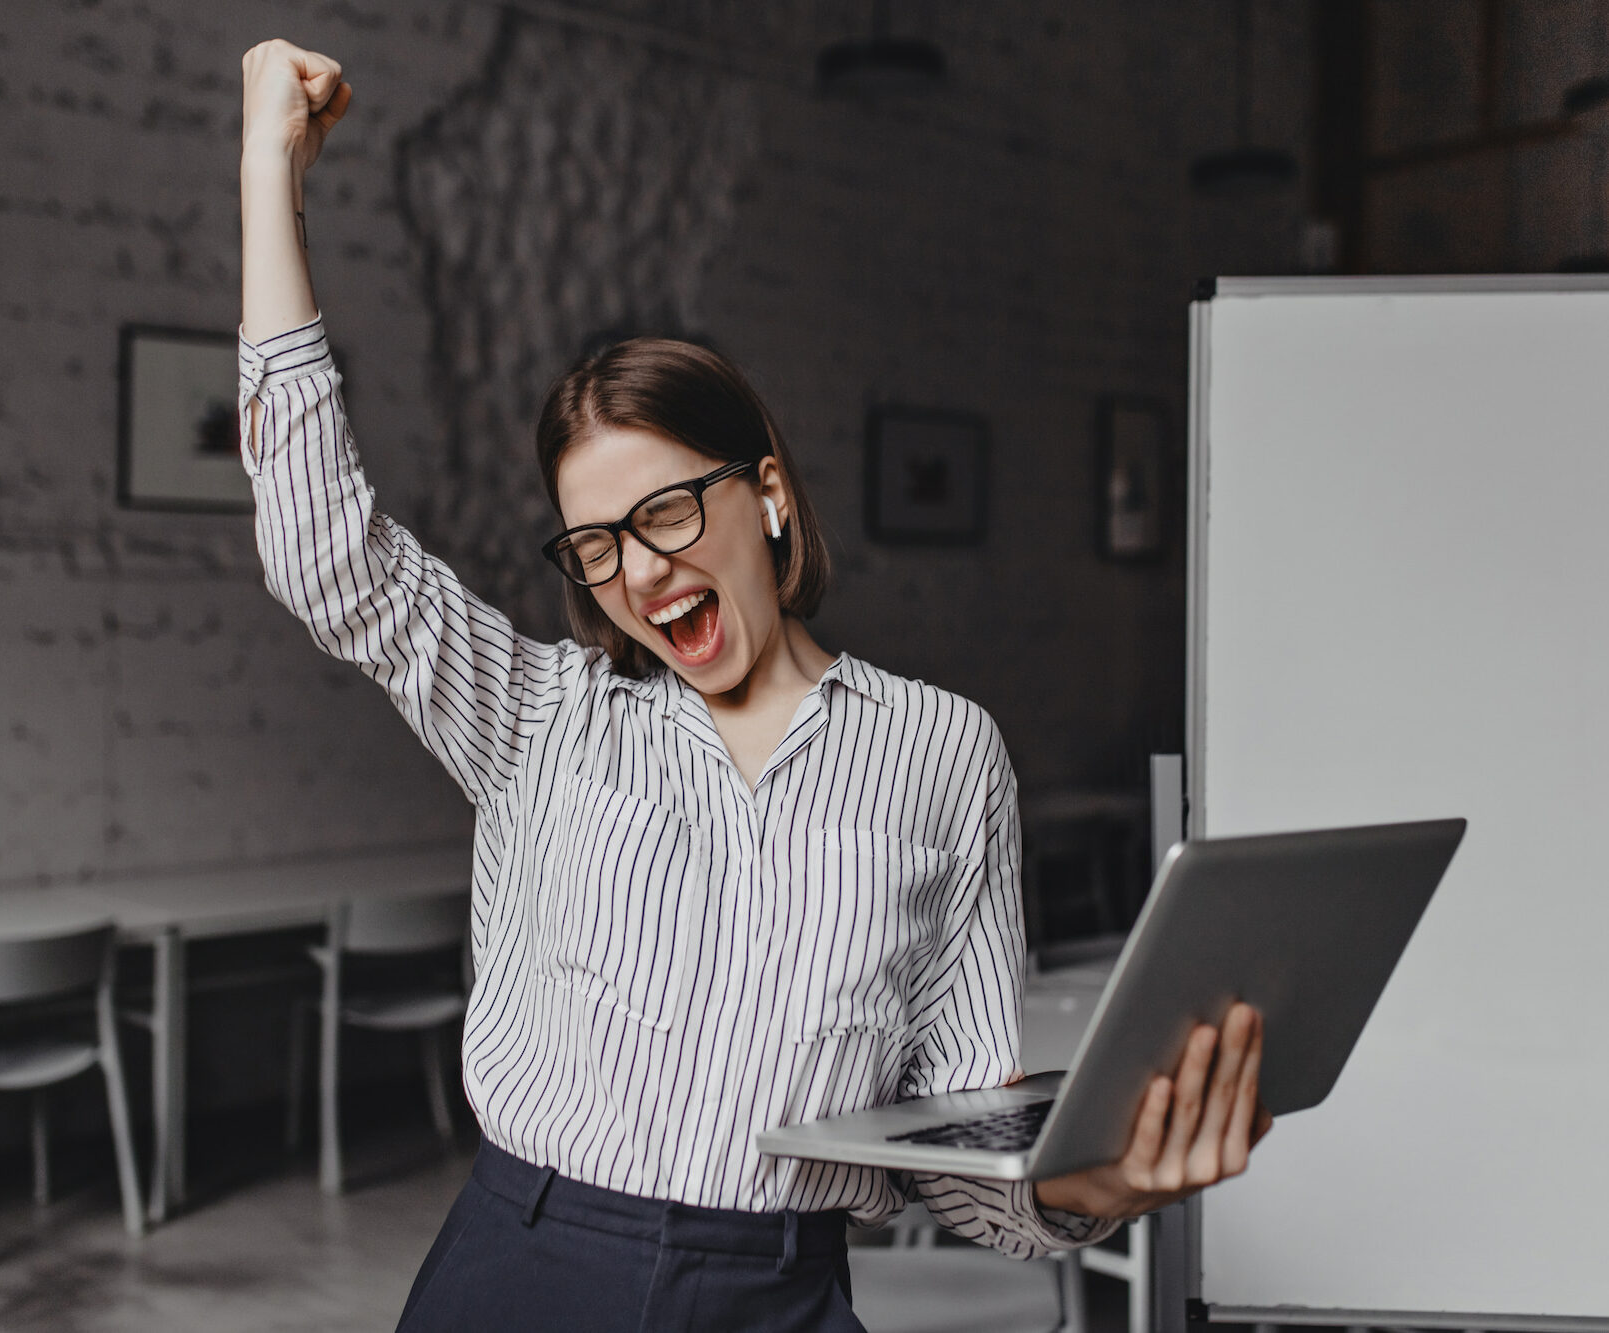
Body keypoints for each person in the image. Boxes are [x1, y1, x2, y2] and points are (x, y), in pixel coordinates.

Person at [238, 38, 1272, 1333]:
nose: (637, 568)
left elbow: (961, 1164)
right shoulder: (539, 715)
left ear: (767, 493)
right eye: (597, 543)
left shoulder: (944, 752)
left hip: (779, 1290)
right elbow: (328, 557)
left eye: (667, 511)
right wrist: (268, 170)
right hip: (527, 1264)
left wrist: (1102, 1178)